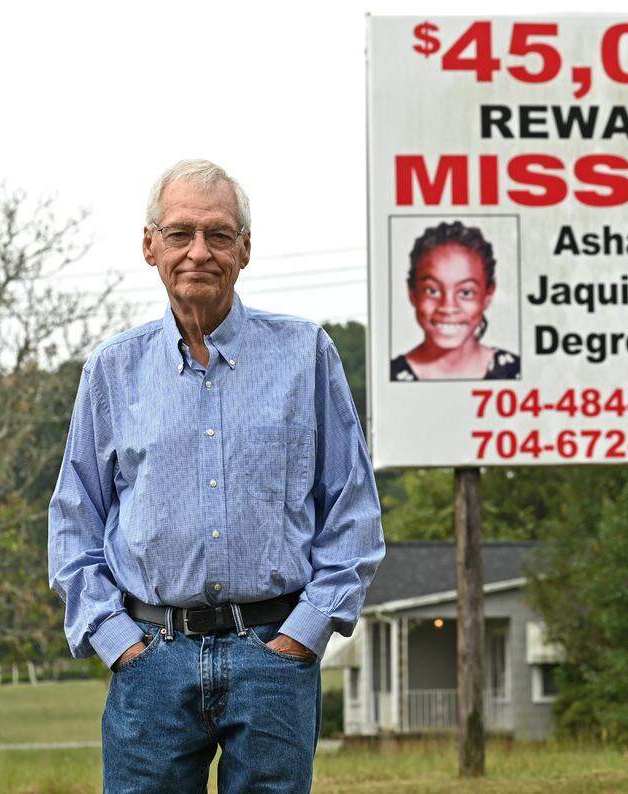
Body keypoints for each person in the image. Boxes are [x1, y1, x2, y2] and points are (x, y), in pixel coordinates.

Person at [47, 159, 384, 793]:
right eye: (179, 234)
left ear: (245, 249)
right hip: (149, 659)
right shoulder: (111, 373)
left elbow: (353, 513)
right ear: (150, 246)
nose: (198, 251)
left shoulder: (306, 356)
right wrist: (118, 641)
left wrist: (303, 637)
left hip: (274, 658)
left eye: (218, 235)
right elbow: (74, 521)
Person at [391, 221, 520, 381]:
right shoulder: (388, 377)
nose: (448, 307)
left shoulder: (514, 372)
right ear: (412, 292)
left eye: (466, 292)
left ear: (488, 295)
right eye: (432, 290)